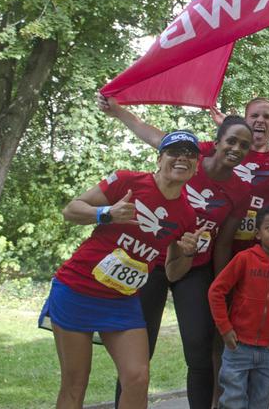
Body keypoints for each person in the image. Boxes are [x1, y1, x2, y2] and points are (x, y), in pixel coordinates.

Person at [99, 99, 254, 408]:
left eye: (244, 145)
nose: (236, 148)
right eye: (231, 141)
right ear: (217, 142)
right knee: (141, 349)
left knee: (199, 350)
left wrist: (221, 286)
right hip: (151, 261)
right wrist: (118, 111)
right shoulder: (189, 158)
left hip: (194, 268)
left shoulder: (240, 190)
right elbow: (154, 136)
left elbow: (223, 242)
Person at [40, 130, 203, 409]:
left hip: (122, 301)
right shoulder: (127, 181)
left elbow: (174, 272)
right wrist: (105, 213)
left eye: (190, 155)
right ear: (160, 157)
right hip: (78, 290)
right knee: (75, 384)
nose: (182, 158)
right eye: (175, 152)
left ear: (197, 166)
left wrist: (188, 253)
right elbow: (71, 210)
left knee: (137, 377)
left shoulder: (187, 214)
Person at [208, 205, 269, 409]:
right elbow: (216, 292)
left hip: (268, 351)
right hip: (237, 347)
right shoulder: (244, 259)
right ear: (258, 233)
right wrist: (225, 329)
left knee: (261, 401)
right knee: (233, 401)